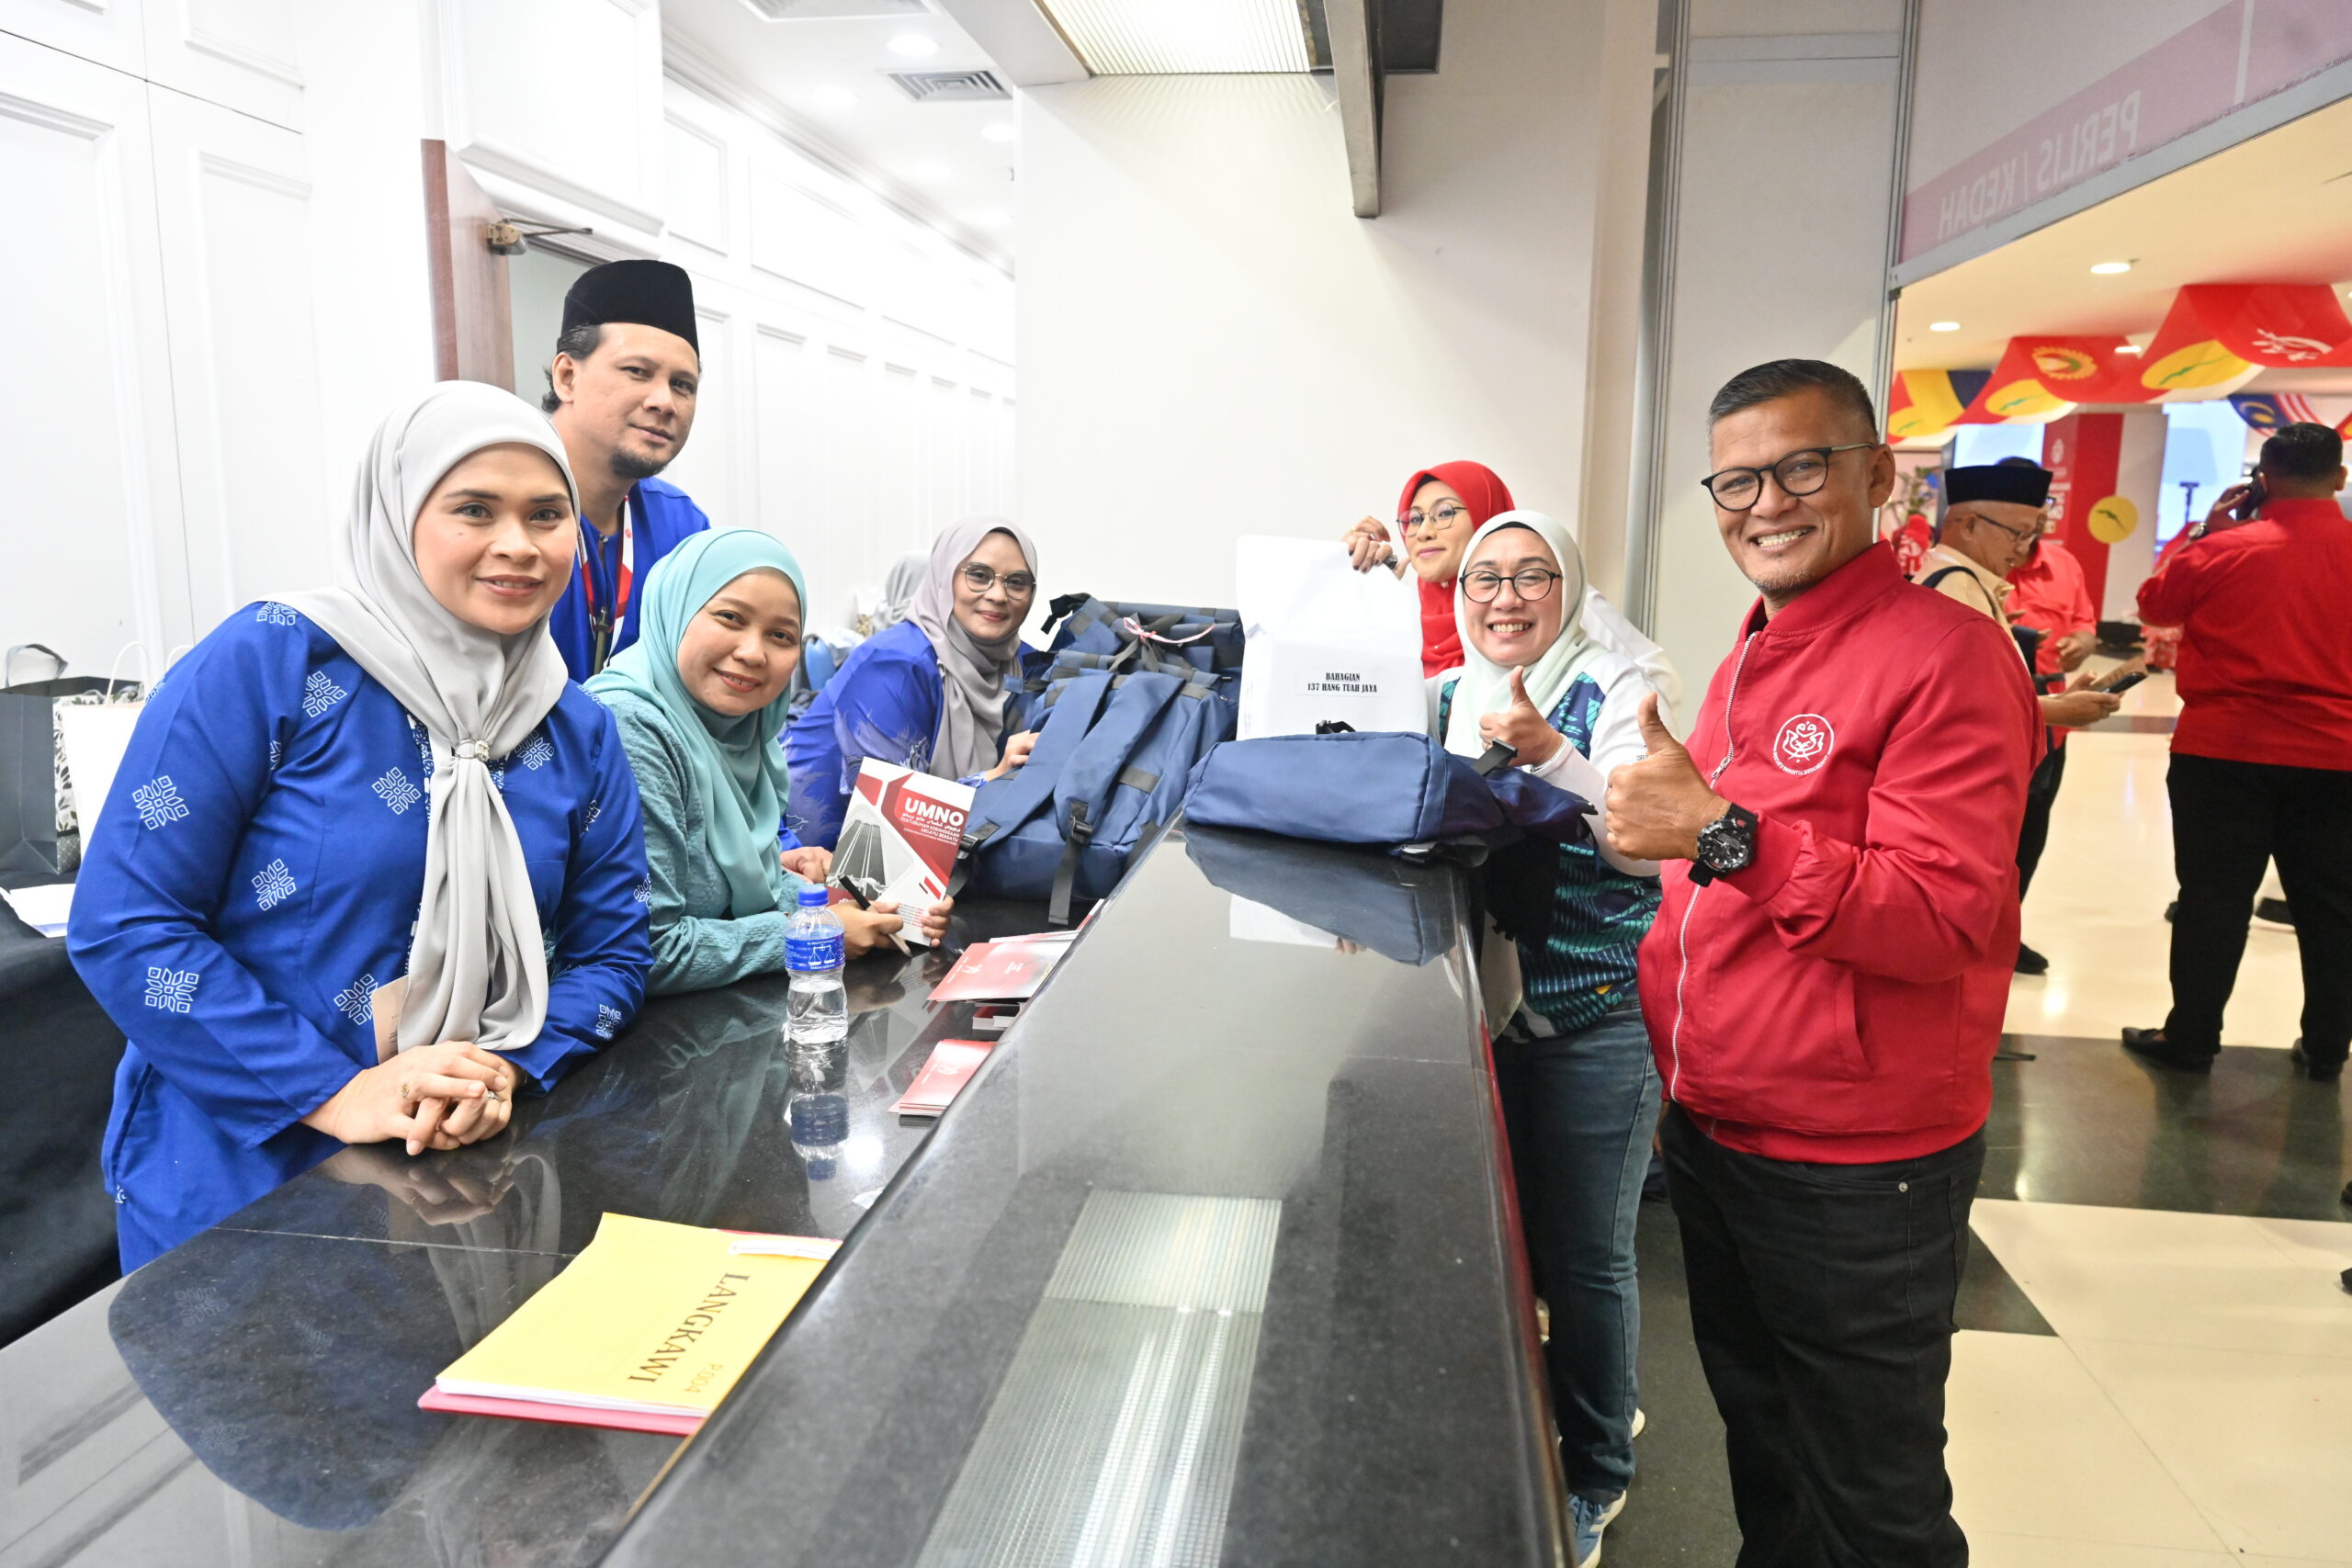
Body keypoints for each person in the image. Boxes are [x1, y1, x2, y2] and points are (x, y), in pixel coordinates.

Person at [1602, 359, 2041, 1565]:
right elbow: (1719, 876)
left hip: (1855, 1165)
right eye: (1736, 481)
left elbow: (1939, 914)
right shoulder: (1756, 649)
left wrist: (1718, 832)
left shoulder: (1947, 656)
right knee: (1771, 1452)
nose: (1767, 504)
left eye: (1801, 468)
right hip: (1722, 1126)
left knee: (1870, 1500)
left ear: (1878, 474)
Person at [68, 383, 652, 1269]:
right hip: (246, 1179)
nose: (518, 544)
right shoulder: (274, 658)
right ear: (397, 515)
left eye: (546, 514)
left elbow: (614, 955)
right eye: (474, 510)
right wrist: (337, 1093)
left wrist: (500, 1068)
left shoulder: (575, 727)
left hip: (460, 1180)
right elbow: (126, 922)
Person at [1430, 510, 1662, 1567]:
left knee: (1583, 1262)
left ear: (1567, 590)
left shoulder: (1615, 688)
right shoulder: (1445, 695)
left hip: (1592, 1012)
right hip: (1481, 1017)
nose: (1506, 598)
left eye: (1531, 576)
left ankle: (1597, 1472)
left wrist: (1556, 757)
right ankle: (1574, 1412)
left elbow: (1647, 848)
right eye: (1484, 578)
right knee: (1508, 1251)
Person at [587, 529, 943, 994]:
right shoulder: (630, 726)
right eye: (730, 618)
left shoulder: (739, 728)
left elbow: (746, 887)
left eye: (780, 635)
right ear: (675, 610)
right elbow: (642, 949)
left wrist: (866, 909)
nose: (753, 653)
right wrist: (815, 935)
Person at [2123, 422, 2352, 1082]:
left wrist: (2206, 533)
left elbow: (2155, 607)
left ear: (2263, 480)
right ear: (2339, 477)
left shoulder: (2223, 549)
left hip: (2225, 751)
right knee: (2334, 907)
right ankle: (2328, 1047)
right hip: (2338, 756)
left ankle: (2192, 1038)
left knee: (2213, 898)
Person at [1919, 461, 2121, 972]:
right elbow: (1961, 705)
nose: (2024, 547)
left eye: (2033, 533)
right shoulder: (1954, 588)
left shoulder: (1971, 582)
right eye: (2018, 533)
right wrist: (2056, 709)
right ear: (1969, 524)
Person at [1340, 460, 1684, 718]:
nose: (1424, 531)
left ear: (1486, 515)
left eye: (1444, 513)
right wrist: (1349, 580)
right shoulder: (1402, 605)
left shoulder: (1546, 596)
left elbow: (1653, 676)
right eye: (1414, 518)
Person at [785, 516, 1043, 850]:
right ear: (944, 577)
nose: (998, 595)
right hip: (814, 857)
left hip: (941, 854)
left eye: (1017, 582)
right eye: (979, 575)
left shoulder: (1024, 665)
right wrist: (993, 778)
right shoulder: (894, 665)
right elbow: (886, 820)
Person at [542, 259, 715, 681]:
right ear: (567, 376)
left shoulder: (681, 526)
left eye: (682, 385)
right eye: (637, 372)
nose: (665, 402)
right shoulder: (496, 506)